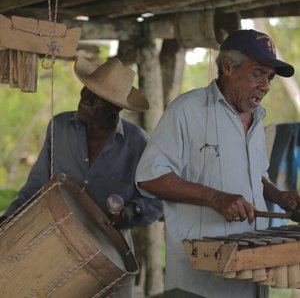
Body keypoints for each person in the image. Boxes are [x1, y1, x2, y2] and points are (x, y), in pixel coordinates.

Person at [136, 29, 300, 298]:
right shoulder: (187, 110)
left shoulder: (257, 119)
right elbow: (149, 176)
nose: (266, 85)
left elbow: (255, 176)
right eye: (257, 73)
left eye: (269, 77)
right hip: (198, 284)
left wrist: (279, 196)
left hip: (251, 277)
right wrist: (214, 197)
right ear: (228, 67)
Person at [1, 56, 163, 297]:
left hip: (110, 253)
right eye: (87, 89)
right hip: (54, 242)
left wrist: (132, 211)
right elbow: (36, 188)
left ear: (115, 108)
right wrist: (8, 221)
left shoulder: (137, 142)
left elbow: (157, 201)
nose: (85, 99)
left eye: (96, 97)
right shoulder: (59, 127)